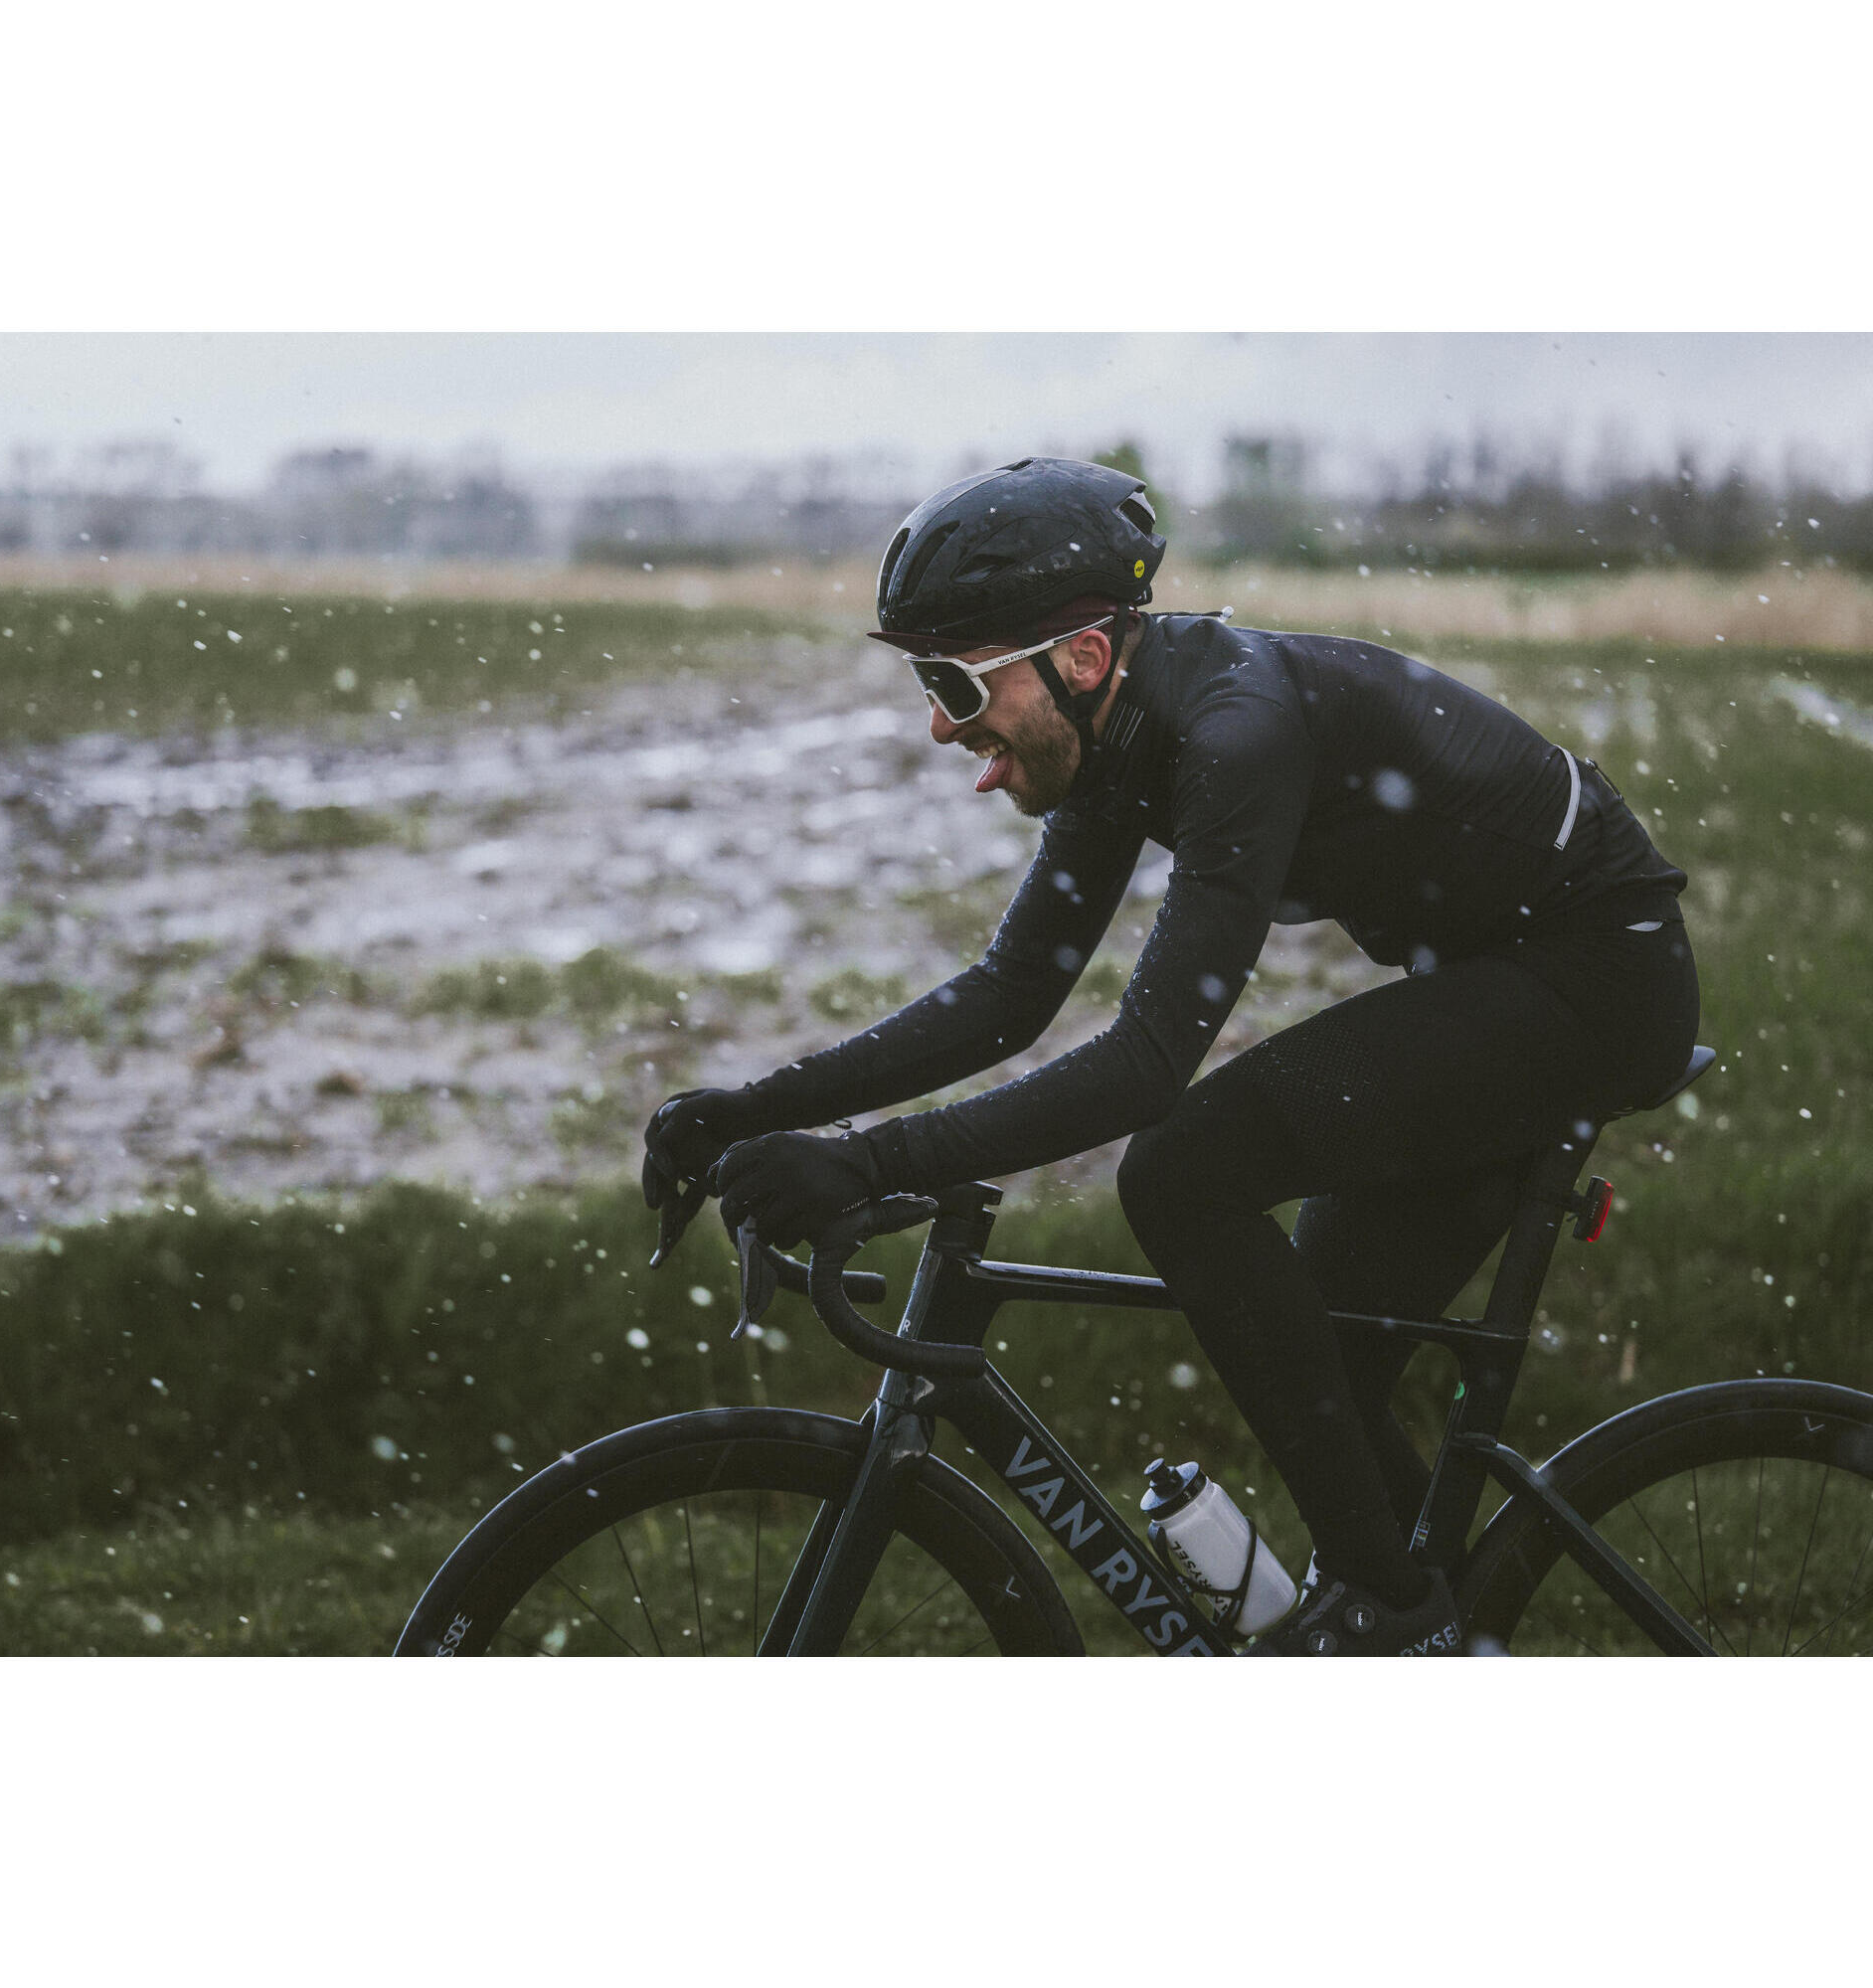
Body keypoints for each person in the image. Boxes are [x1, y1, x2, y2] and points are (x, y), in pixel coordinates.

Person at [641, 455, 1699, 1656]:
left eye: (950, 681)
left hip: (1591, 982)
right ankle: (1433, 1637)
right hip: (1492, 976)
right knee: (1328, 1370)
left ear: (1081, 658)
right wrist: (751, 1107)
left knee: (1181, 1169)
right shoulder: (1113, 732)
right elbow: (1009, 994)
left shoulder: (1234, 730)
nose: (939, 723)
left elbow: (1147, 1065)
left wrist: (867, 1162)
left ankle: (1388, 1608)